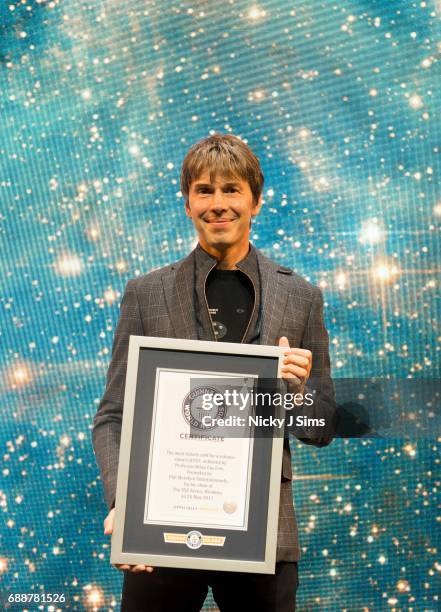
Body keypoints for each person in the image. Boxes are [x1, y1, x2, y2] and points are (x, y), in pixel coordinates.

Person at [92, 133, 337, 611]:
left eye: (231, 190)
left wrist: (297, 394)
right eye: (204, 190)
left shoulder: (302, 297)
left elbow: (322, 427)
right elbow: (113, 416)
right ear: (187, 203)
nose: (218, 203)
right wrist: (124, 505)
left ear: (256, 201)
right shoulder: (145, 293)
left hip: (264, 535)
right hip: (157, 530)